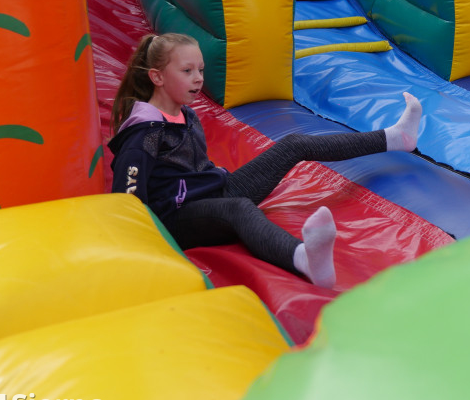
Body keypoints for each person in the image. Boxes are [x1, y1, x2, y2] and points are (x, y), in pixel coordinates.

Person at [109, 33, 422, 289]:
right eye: (187, 71)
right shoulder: (144, 133)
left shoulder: (185, 114)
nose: (198, 79)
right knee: (238, 208)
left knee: (293, 144)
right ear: (157, 77)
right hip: (176, 219)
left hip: (213, 192)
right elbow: (127, 201)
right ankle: (303, 258)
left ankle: (395, 137)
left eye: (201, 70)